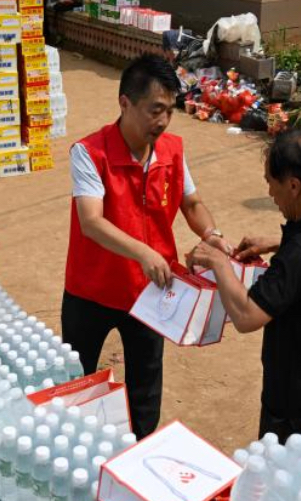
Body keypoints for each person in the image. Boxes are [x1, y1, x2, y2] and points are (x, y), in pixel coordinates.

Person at [63, 54, 231, 440]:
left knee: (145, 384)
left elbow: (191, 203)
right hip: (92, 290)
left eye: (169, 111)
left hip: (151, 291)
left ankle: (140, 447)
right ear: (125, 103)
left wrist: (212, 234)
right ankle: (74, 447)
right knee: (77, 377)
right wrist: (144, 252)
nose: (163, 121)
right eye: (155, 110)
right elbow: (91, 221)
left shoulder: (172, 150)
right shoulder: (90, 153)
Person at [186, 130, 301, 442]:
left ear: (294, 185)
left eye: (271, 181)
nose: (270, 192)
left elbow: (246, 315)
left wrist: (219, 263)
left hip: (296, 406)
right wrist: (279, 242)